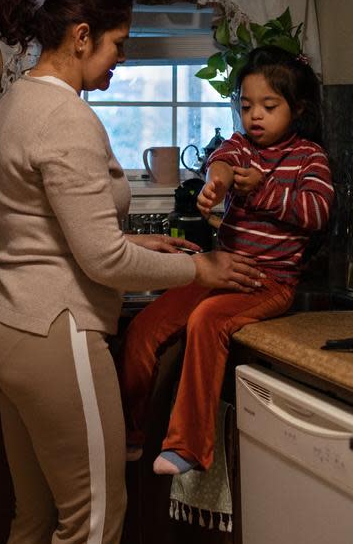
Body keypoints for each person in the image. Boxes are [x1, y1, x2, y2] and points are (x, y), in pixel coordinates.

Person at [0, 0, 263, 544]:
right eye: (117, 44)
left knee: (36, 523)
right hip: (56, 334)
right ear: (79, 36)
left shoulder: (15, 102)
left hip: (7, 325)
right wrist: (200, 267)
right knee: (93, 523)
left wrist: (141, 245)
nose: (120, 59)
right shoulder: (65, 118)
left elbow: (55, 234)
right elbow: (100, 263)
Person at [118, 46, 335, 475]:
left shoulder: (310, 158)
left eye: (269, 106)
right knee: (143, 327)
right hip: (222, 269)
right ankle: (129, 431)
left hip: (268, 283)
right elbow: (221, 163)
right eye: (246, 105)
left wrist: (261, 190)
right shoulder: (240, 147)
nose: (255, 116)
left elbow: (316, 214)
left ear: (299, 108)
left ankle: (189, 446)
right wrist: (215, 186)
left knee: (207, 321)